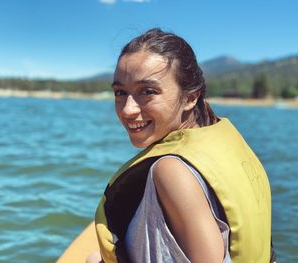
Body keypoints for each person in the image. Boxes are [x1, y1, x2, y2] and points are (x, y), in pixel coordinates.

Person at [92, 28, 276, 263]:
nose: (127, 109)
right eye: (120, 92)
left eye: (148, 92)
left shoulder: (171, 171)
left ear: (190, 97)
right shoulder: (222, 144)